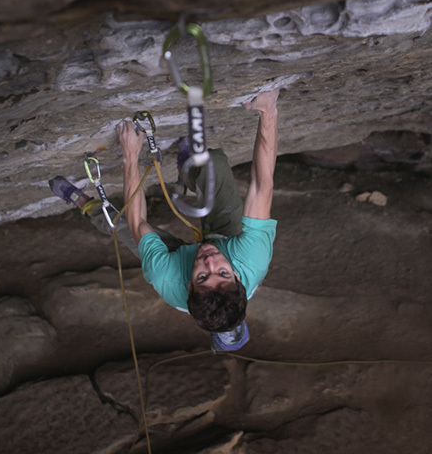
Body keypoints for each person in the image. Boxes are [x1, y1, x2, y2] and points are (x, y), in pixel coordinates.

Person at [50, 89, 279, 335]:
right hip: (227, 239)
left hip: (178, 260)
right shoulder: (251, 258)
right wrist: (268, 111)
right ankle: (187, 170)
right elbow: (262, 183)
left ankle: (83, 203)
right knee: (214, 164)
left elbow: (138, 221)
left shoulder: (166, 277)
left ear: (189, 286)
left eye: (203, 277)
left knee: (122, 225)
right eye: (222, 273)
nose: (209, 261)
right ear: (236, 275)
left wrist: (130, 155)